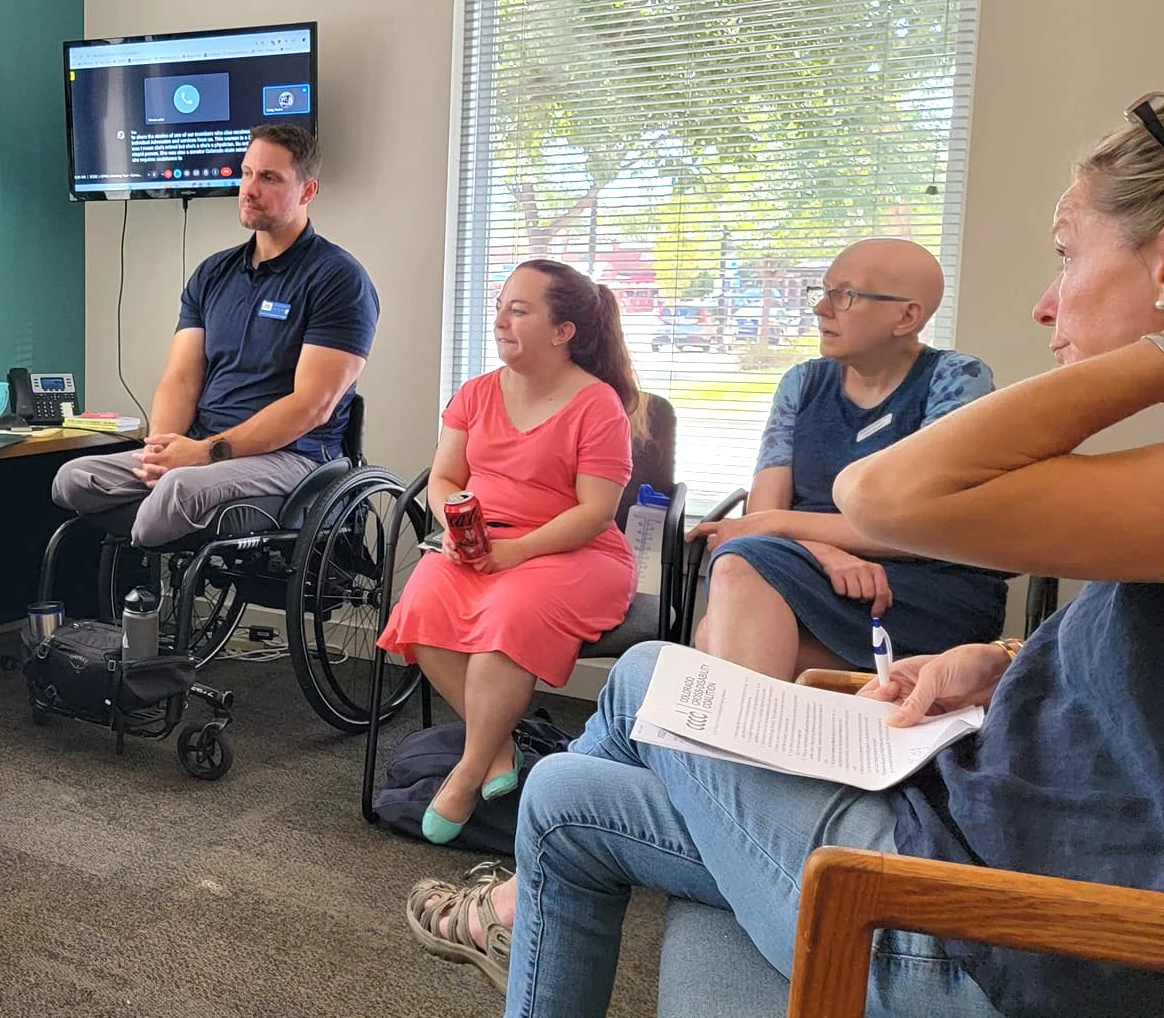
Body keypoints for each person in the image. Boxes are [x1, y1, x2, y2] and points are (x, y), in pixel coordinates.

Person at [400, 104, 1164, 1018]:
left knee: (648, 680)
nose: (1046, 299)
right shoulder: (806, 382)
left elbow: (885, 501)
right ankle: (520, 891)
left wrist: (1154, 350)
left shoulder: (953, 380)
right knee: (582, 760)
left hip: (977, 921)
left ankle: (514, 894)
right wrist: (1002, 664)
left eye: (1066, 253)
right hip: (966, 826)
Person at [376, 259, 640, 844]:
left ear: (562, 330)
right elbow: (444, 477)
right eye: (499, 306)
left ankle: (469, 773)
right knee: (419, 606)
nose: (500, 320)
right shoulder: (475, 393)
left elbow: (594, 512)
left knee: (509, 619)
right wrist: (455, 526)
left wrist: (517, 551)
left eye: (518, 310)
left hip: (573, 550)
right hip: (483, 543)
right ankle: (498, 749)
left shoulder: (598, 406)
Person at [687, 237, 1006, 679]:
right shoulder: (802, 382)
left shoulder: (956, 378)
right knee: (734, 600)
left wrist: (780, 529)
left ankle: (731, 743)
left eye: (846, 295)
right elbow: (764, 511)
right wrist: (822, 552)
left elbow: (930, 526)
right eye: (822, 292)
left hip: (923, 582)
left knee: (724, 617)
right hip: (812, 571)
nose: (822, 309)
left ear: (907, 315)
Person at [50, 124, 378, 547]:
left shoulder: (338, 278)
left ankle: (145, 599)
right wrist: (161, 449)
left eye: (269, 178)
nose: (249, 189)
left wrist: (203, 455)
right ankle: (153, 535)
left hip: (292, 457)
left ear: (307, 191)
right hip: (200, 449)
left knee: (175, 492)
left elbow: (312, 406)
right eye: (246, 173)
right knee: (72, 479)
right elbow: (181, 379)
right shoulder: (213, 273)